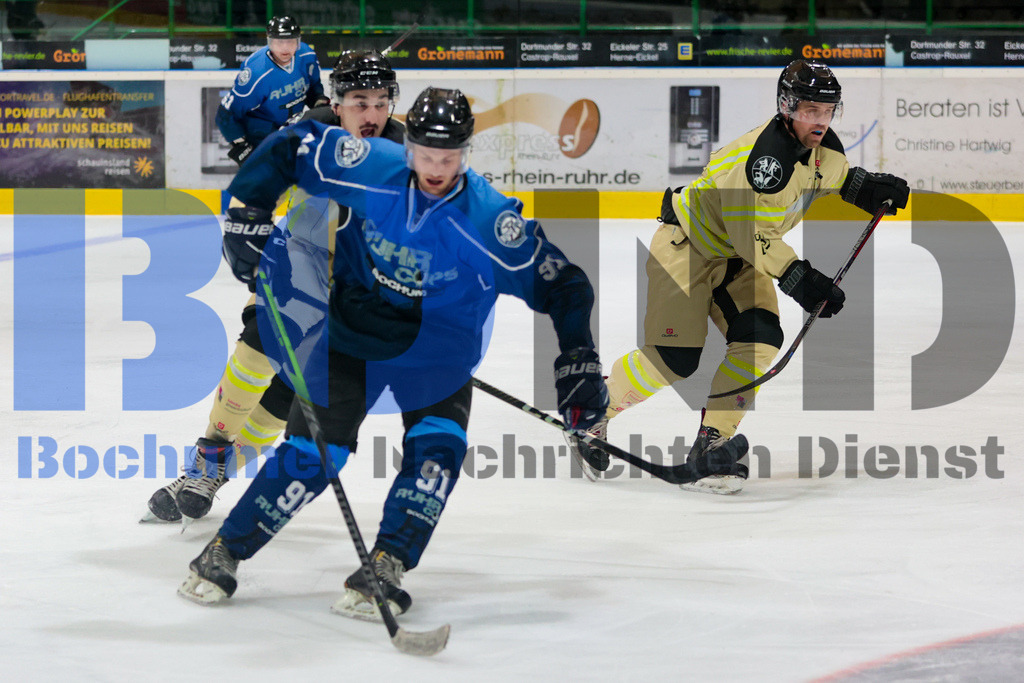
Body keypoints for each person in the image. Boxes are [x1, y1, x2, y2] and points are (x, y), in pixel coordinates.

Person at [177, 87, 611, 620]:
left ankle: (387, 562)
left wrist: (579, 362)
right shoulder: (369, 166)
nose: (435, 169)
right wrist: (249, 211)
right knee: (313, 454)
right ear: (409, 150)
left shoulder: (488, 219)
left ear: (466, 153)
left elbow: (564, 285)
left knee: (437, 452)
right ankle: (226, 549)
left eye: (448, 158)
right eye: (426, 156)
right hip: (352, 333)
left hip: (438, 350)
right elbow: (291, 148)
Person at [567, 59, 909, 493]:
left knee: (760, 338)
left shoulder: (820, 147)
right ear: (787, 107)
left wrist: (865, 187)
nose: (819, 121)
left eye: (827, 111)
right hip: (688, 247)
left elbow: (832, 174)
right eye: (810, 110)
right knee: (676, 359)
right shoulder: (760, 165)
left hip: (737, 259)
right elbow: (753, 239)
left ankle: (713, 442)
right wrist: (802, 280)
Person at [142, 50, 404, 525]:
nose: (373, 114)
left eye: (382, 102)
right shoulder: (307, 134)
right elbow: (257, 183)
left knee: (286, 396)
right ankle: (206, 462)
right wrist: (247, 219)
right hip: (297, 267)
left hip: (354, 291)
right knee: (258, 352)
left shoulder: (407, 158)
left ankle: (208, 477)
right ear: (337, 101)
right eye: (360, 101)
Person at [215, 15, 327, 167]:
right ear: (269, 41)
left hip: (294, 130)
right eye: (279, 42)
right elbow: (226, 113)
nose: (285, 48)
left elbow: (313, 88)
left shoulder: (307, 56)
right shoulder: (256, 73)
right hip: (262, 136)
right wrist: (241, 146)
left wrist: (319, 102)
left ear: (298, 41)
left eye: (290, 41)